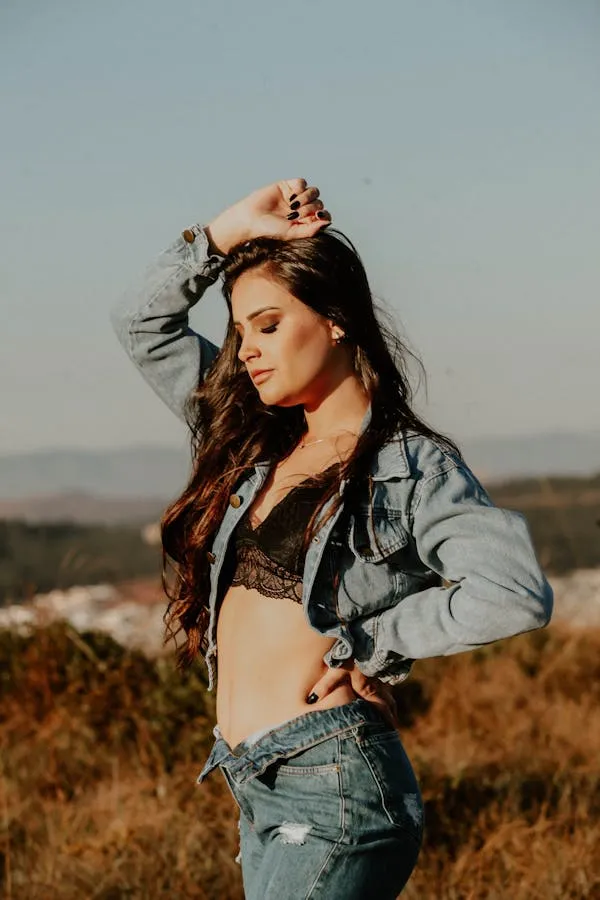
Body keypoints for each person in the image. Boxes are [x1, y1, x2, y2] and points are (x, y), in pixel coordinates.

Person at [111, 178, 553, 899]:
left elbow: (513, 592)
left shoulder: (409, 465)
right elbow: (140, 321)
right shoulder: (249, 440)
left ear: (338, 319)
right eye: (240, 331)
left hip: (335, 788)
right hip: (256, 782)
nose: (248, 350)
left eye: (269, 324)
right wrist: (224, 234)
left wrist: (368, 645)